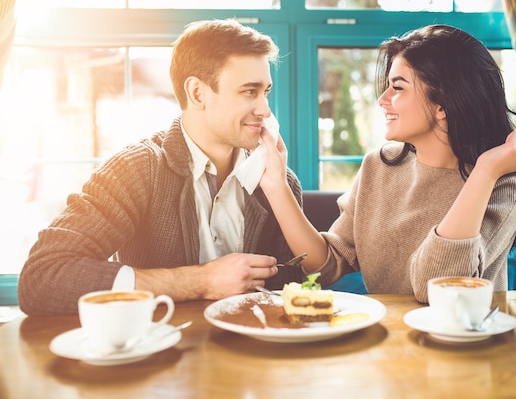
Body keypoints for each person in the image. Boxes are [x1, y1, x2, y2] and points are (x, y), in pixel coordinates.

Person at [18, 19, 304, 316]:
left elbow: (295, 294)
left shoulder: (279, 183)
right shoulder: (137, 170)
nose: (265, 110)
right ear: (197, 93)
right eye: (249, 92)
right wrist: (199, 281)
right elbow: (41, 278)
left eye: (265, 92)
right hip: (159, 356)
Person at [260, 24, 516, 303]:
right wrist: (276, 186)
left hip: (463, 346)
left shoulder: (505, 184)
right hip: (386, 342)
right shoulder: (378, 166)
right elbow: (327, 266)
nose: (383, 99)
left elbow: (437, 289)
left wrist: (484, 172)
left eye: (397, 87)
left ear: (442, 104)